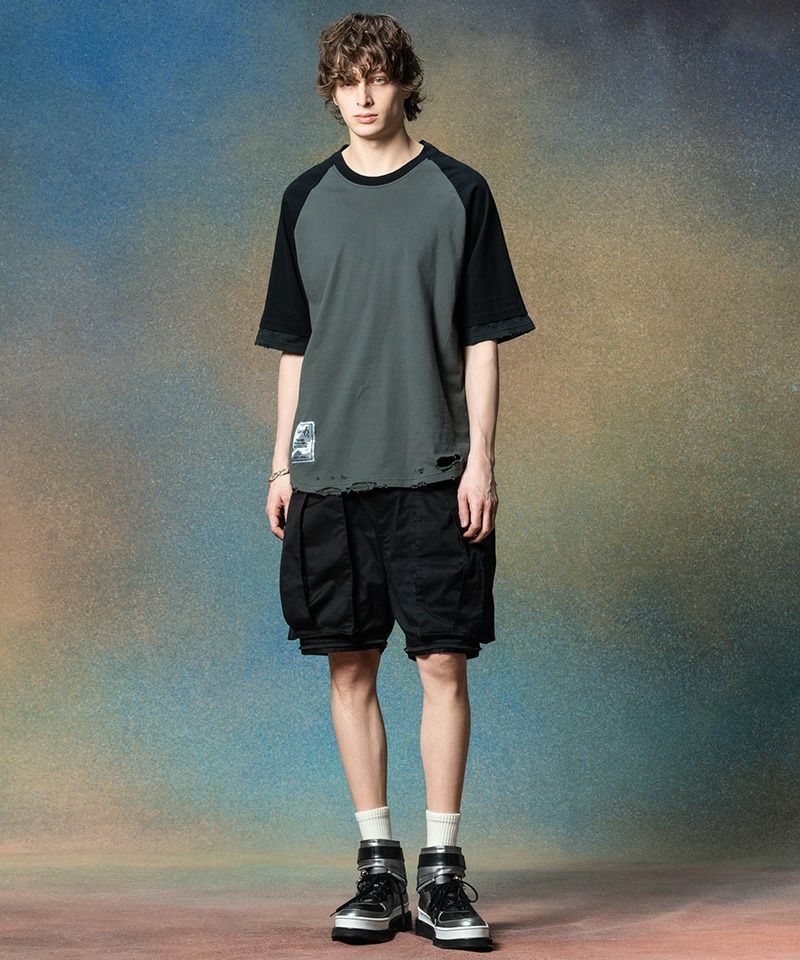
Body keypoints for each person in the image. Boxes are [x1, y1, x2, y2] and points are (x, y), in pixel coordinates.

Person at [254, 12, 535, 953]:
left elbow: (484, 339)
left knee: (443, 662)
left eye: (378, 77)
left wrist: (481, 459)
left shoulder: (461, 191)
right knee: (350, 665)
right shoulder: (304, 199)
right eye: (348, 81)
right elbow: (293, 347)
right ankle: (378, 867)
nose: (364, 96)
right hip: (328, 474)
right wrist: (281, 463)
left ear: (406, 82)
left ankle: (442, 874)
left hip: (432, 471)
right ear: (330, 92)